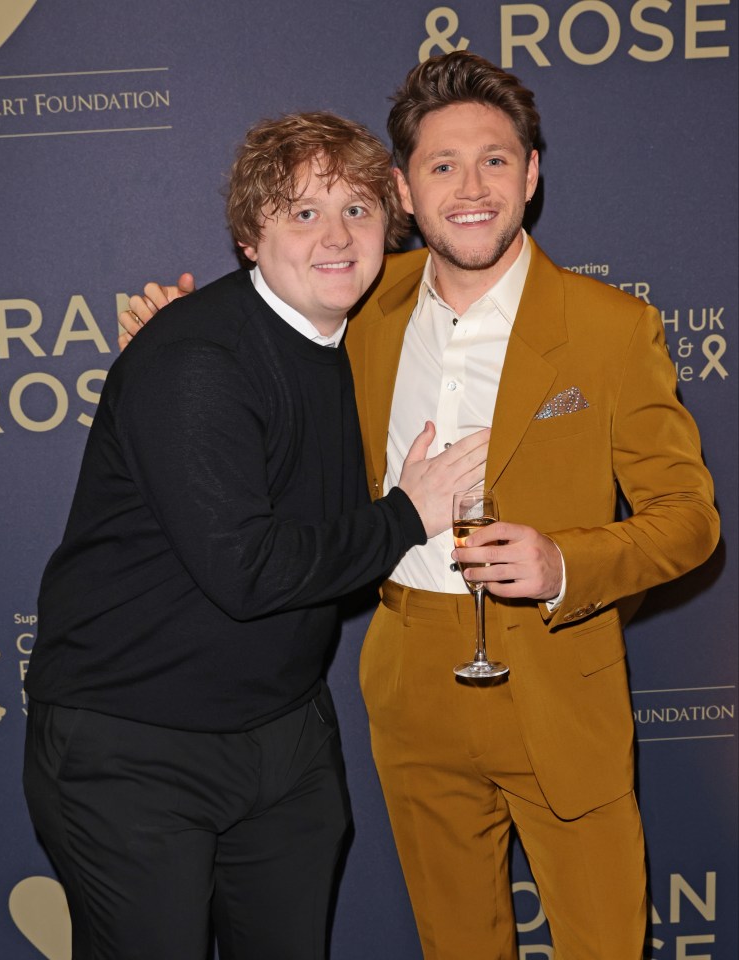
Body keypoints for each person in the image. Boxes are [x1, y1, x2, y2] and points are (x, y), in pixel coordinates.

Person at [119, 54, 720, 960]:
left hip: (559, 677)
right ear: (403, 189)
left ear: (532, 173)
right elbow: (258, 332)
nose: (471, 187)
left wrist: (567, 563)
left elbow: (689, 518)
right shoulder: (364, 302)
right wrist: (176, 331)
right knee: (455, 944)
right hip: (410, 679)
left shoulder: (610, 326)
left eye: (494, 160)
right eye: (442, 165)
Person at [23, 110, 491, 960]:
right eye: (302, 213)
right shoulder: (197, 360)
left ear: (391, 217)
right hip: (134, 744)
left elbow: (484, 270)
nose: (336, 237)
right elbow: (249, 571)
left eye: (355, 209)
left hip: (282, 736)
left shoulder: (357, 332)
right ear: (249, 235)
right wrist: (407, 515)